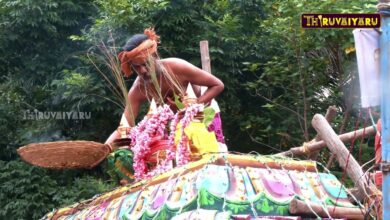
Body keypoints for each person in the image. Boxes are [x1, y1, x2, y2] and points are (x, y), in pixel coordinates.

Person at [105, 28, 224, 146]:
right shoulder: (138, 89)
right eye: (137, 67)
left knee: (212, 157)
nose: (143, 70)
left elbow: (217, 85)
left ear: (155, 55)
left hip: (203, 115)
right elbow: (125, 126)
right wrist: (105, 148)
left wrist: (193, 107)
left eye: (146, 63)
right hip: (174, 125)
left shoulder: (177, 67)